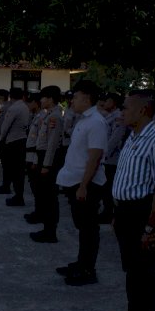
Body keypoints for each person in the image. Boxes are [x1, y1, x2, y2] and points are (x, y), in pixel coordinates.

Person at [107, 90, 155, 311]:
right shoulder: (133, 137)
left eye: (126, 107)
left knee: (144, 274)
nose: (122, 111)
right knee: (133, 272)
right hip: (125, 212)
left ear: (143, 110)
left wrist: (150, 226)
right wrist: (116, 212)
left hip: (142, 214)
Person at [55, 80, 108, 286]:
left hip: (86, 184)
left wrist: (83, 186)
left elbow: (94, 158)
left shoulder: (96, 121)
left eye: (75, 97)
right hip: (76, 182)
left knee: (89, 229)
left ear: (86, 98)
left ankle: (88, 270)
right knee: (83, 227)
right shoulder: (84, 119)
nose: (72, 100)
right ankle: (80, 263)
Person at [29, 86, 65, 243]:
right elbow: (40, 141)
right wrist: (38, 161)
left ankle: (51, 232)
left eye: (43, 98)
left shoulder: (55, 117)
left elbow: (52, 144)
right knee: (43, 195)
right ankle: (46, 228)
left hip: (49, 159)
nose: (41, 101)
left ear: (50, 99)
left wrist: (46, 165)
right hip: (42, 157)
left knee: (50, 197)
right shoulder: (47, 115)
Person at [0, 87, 29, 206]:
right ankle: (18, 195)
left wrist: (1, 139)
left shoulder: (13, 108)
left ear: (10, 96)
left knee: (13, 170)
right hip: (22, 140)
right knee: (19, 170)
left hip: (12, 141)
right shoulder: (25, 107)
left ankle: (18, 197)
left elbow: (5, 126)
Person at [99, 92, 126, 224]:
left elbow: (115, 139)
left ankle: (110, 213)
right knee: (106, 187)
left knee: (110, 187)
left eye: (107, 100)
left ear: (114, 103)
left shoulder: (118, 117)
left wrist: (103, 153)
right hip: (107, 158)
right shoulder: (110, 116)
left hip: (113, 159)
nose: (105, 103)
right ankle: (107, 211)